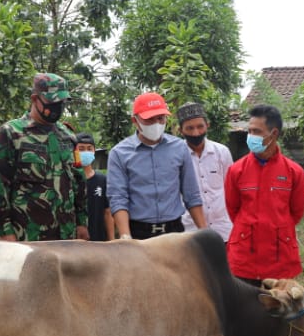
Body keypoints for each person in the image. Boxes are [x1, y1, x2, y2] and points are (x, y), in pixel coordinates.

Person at [224, 104, 304, 336]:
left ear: (273, 134)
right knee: (243, 316)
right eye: (249, 130)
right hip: (244, 256)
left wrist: (274, 230)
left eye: (256, 131)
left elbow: (296, 212)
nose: (250, 135)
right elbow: (233, 210)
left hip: (279, 257)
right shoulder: (236, 171)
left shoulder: (294, 172)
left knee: (286, 315)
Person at [0, 73, 89, 242]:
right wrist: (5, 232)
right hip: (27, 238)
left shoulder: (68, 136)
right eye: (53, 102)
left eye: (61, 103)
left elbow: (79, 182)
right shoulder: (11, 133)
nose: (58, 107)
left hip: (66, 237)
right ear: (35, 98)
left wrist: (82, 223)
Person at [107, 92, 207, 240]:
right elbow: (118, 198)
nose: (156, 124)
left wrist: (204, 232)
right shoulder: (119, 153)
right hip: (138, 233)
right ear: (135, 121)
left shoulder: (179, 148)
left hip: (173, 232)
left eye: (160, 118)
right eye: (149, 119)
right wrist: (125, 236)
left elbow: (191, 195)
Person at [176, 102, 233, 242]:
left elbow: (232, 188)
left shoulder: (221, 152)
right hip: (189, 231)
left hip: (223, 229)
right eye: (190, 128)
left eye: (200, 126)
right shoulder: (175, 156)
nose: (196, 133)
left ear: (207, 125)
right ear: (180, 130)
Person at [74, 132, 114, 241]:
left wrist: (112, 241)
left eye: (89, 148)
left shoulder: (102, 180)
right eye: (81, 149)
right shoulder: (70, 179)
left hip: (99, 241)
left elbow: (107, 212)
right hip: (75, 242)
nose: (85, 152)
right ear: (75, 152)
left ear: (94, 151)